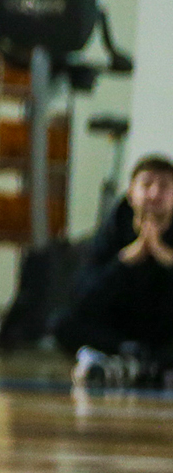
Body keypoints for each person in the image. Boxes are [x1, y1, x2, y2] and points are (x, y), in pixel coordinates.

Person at [57, 155, 173, 385]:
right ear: (131, 192)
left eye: (164, 186)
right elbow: (82, 296)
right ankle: (135, 358)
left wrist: (165, 258)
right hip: (120, 330)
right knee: (64, 324)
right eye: (147, 184)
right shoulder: (113, 228)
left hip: (165, 329)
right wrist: (124, 261)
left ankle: (143, 364)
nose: (154, 194)